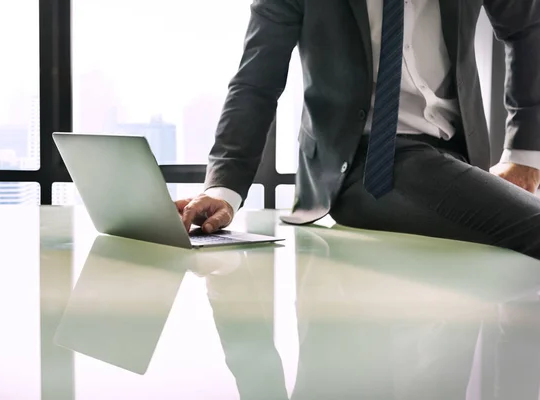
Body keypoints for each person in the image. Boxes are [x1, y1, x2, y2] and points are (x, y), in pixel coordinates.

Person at [175, 0, 540, 259]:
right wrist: (223, 189)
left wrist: (523, 154)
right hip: (365, 164)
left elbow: (527, 27)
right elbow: (256, 82)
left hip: (457, 156)